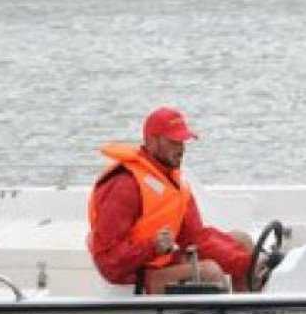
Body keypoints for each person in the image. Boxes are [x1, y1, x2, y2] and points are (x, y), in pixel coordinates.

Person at [87, 107, 255, 294]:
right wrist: (152, 247)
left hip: (160, 262)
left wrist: (246, 262)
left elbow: (196, 239)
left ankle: (253, 312)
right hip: (131, 274)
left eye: (183, 141)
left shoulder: (173, 181)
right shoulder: (124, 185)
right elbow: (108, 261)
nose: (181, 149)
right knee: (210, 273)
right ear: (151, 142)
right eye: (174, 142)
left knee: (242, 243)